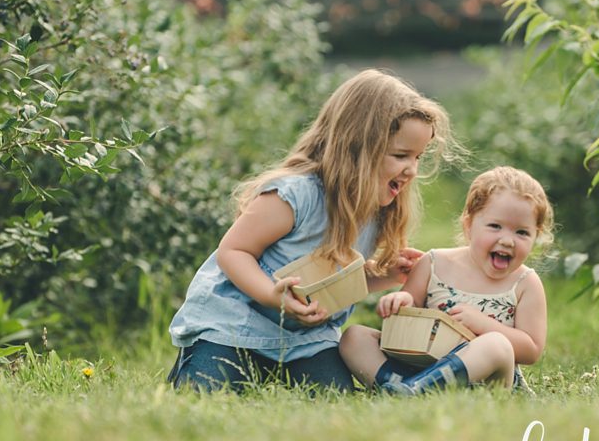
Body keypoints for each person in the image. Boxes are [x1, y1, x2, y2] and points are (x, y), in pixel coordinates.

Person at [167, 69, 459, 392]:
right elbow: (233, 252)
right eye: (401, 155)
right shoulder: (295, 196)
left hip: (305, 341)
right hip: (234, 327)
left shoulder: (374, 211)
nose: (412, 170)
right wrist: (271, 295)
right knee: (206, 390)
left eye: (418, 157)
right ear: (357, 147)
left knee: (334, 394)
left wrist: (384, 275)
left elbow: (335, 282)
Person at [341, 166, 552, 394]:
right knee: (354, 337)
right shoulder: (434, 263)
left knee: (497, 344)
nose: (508, 240)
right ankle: (405, 386)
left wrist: (483, 324)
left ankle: (414, 389)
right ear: (469, 225)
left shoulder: (525, 283)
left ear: (536, 236)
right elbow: (411, 307)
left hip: (486, 380)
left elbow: (531, 350)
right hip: (421, 363)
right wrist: (402, 301)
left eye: (522, 232)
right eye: (495, 226)